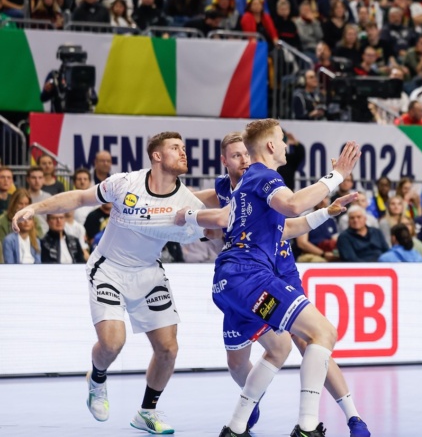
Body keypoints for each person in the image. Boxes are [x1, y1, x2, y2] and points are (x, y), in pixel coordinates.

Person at [179, 121, 369, 437]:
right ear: (269, 146)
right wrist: (336, 175)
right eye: (282, 140)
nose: (285, 146)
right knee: (322, 333)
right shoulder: (263, 177)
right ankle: (308, 427)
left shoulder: (243, 186)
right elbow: (292, 205)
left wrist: (326, 212)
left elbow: (285, 225)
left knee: (281, 348)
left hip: (232, 283)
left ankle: (236, 426)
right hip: (252, 277)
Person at [11, 132, 208, 434]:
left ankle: (146, 412)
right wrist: (35, 208)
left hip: (148, 272)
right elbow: (80, 197)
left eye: (184, 147)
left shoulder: (187, 202)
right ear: (157, 156)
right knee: (112, 343)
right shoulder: (125, 183)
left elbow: (215, 231)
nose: (184, 152)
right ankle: (97, 378)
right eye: (175, 148)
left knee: (168, 349)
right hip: (109, 269)